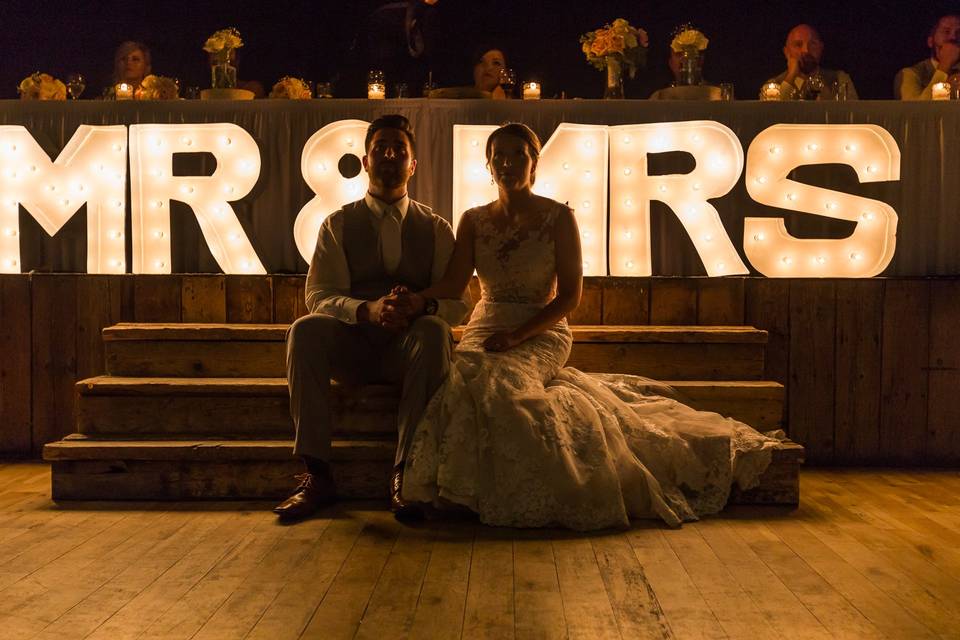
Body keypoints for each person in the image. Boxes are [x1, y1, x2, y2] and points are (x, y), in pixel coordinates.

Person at [400, 123, 781, 531]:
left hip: (541, 329)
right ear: (488, 166)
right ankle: (458, 493)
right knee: (461, 383)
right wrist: (417, 299)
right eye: (500, 156)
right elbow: (455, 284)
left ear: (535, 163)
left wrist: (517, 336)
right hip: (487, 322)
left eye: (518, 154)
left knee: (504, 389)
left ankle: (527, 493)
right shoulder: (473, 220)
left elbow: (569, 298)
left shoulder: (558, 217)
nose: (508, 162)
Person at [274, 114, 470, 521]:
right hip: (353, 347)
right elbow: (318, 295)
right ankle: (317, 475)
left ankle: (407, 475)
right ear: (365, 161)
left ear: (413, 165)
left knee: (435, 332)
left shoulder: (436, 229)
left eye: (399, 149)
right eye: (380, 148)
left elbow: (458, 302)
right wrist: (367, 310)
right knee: (304, 331)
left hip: (408, 351)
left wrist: (422, 306)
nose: (389, 155)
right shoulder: (338, 224)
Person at [762, 24, 858, 100]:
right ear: (786, 52)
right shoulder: (773, 86)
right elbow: (770, 114)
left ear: (821, 48)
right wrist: (791, 77)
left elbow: (854, 116)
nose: (806, 50)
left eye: (813, 44)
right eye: (798, 45)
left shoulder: (839, 80)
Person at [896, 14, 960, 100]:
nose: (953, 37)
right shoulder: (911, 74)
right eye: (946, 31)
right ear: (930, 41)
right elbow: (915, 111)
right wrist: (944, 66)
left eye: (959, 32)